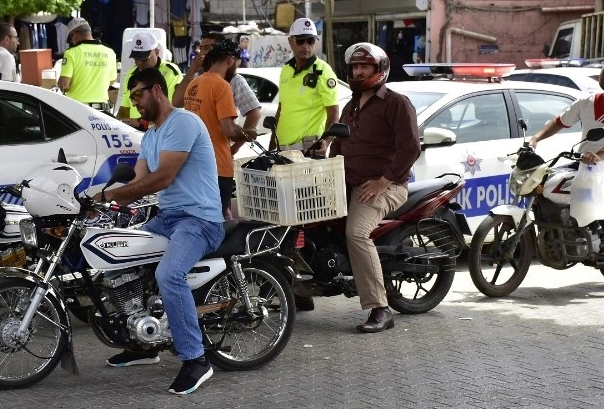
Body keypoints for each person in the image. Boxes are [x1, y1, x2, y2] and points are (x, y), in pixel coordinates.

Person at [97, 66, 224, 395]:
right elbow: (138, 181)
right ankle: (145, 344)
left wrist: (110, 195)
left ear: (156, 90)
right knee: (119, 259)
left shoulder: (182, 122)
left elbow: (162, 177)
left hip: (199, 219)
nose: (134, 101)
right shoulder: (151, 135)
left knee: (169, 275)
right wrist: (95, 196)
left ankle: (196, 360)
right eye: (131, 96)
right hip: (167, 217)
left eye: (137, 93)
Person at [528, 56, 604, 299]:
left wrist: (600, 156)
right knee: (546, 183)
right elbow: (558, 122)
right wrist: (535, 139)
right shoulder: (586, 103)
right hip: (585, 164)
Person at [333, 43, 420, 333]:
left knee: (356, 234)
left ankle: (380, 307)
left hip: (386, 185)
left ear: (379, 70)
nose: (358, 72)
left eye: (364, 67)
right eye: (355, 67)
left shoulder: (396, 103)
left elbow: (411, 149)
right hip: (350, 181)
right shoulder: (351, 105)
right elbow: (340, 142)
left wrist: (384, 181)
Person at [178, 39, 256, 217]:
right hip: (217, 168)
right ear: (230, 60)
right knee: (214, 224)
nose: (236, 69)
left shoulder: (194, 84)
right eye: (237, 64)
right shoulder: (222, 86)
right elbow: (228, 129)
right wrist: (249, 134)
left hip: (193, 165)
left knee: (196, 220)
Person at [174, 33, 262, 151]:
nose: (202, 52)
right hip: (194, 148)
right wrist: (192, 69)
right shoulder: (195, 78)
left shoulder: (233, 80)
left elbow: (253, 113)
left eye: (207, 48)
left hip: (219, 150)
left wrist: (236, 147)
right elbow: (176, 102)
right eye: (202, 47)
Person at [274, 19, 340, 154]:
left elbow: (333, 113)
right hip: (282, 151)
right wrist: (271, 145)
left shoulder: (323, 71)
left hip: (309, 151)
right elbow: (281, 110)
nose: (305, 46)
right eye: (300, 41)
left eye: (310, 41)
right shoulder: (286, 69)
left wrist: (326, 142)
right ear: (291, 41)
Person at [116, 32, 183, 129]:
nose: (140, 63)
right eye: (136, 58)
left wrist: (141, 123)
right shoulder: (132, 73)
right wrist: (117, 125)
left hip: (161, 130)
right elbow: (125, 107)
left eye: (144, 59)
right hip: (134, 133)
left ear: (156, 52)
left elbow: (171, 111)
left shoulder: (170, 72)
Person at [58, 17, 117, 109]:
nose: (72, 42)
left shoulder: (71, 53)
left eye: (71, 39)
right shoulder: (110, 52)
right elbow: (111, 81)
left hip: (79, 109)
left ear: (75, 34)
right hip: (102, 110)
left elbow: (64, 85)